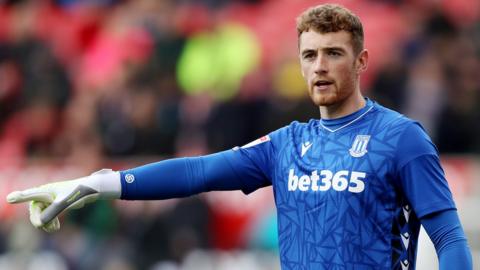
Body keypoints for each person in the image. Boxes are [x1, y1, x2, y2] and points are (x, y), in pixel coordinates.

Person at [6, 4, 472, 269]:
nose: (320, 66)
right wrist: (96, 184)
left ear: (362, 61)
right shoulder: (286, 144)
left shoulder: (400, 138)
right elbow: (198, 171)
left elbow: (449, 238)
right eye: (310, 55)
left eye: (334, 53)